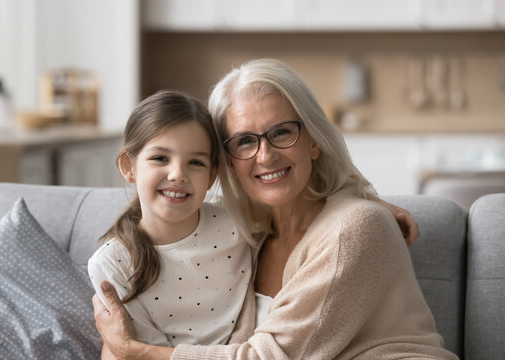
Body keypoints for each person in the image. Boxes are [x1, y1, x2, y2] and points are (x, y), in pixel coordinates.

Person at [93, 59, 457, 359]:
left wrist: (132, 351)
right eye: (244, 141)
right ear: (229, 161)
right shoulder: (247, 229)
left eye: (282, 133)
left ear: (313, 140)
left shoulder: (353, 228)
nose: (265, 156)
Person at [88, 90, 253, 357]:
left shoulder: (237, 221)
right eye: (160, 158)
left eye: (196, 162)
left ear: (212, 176)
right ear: (129, 166)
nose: (178, 174)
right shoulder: (111, 264)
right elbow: (142, 353)